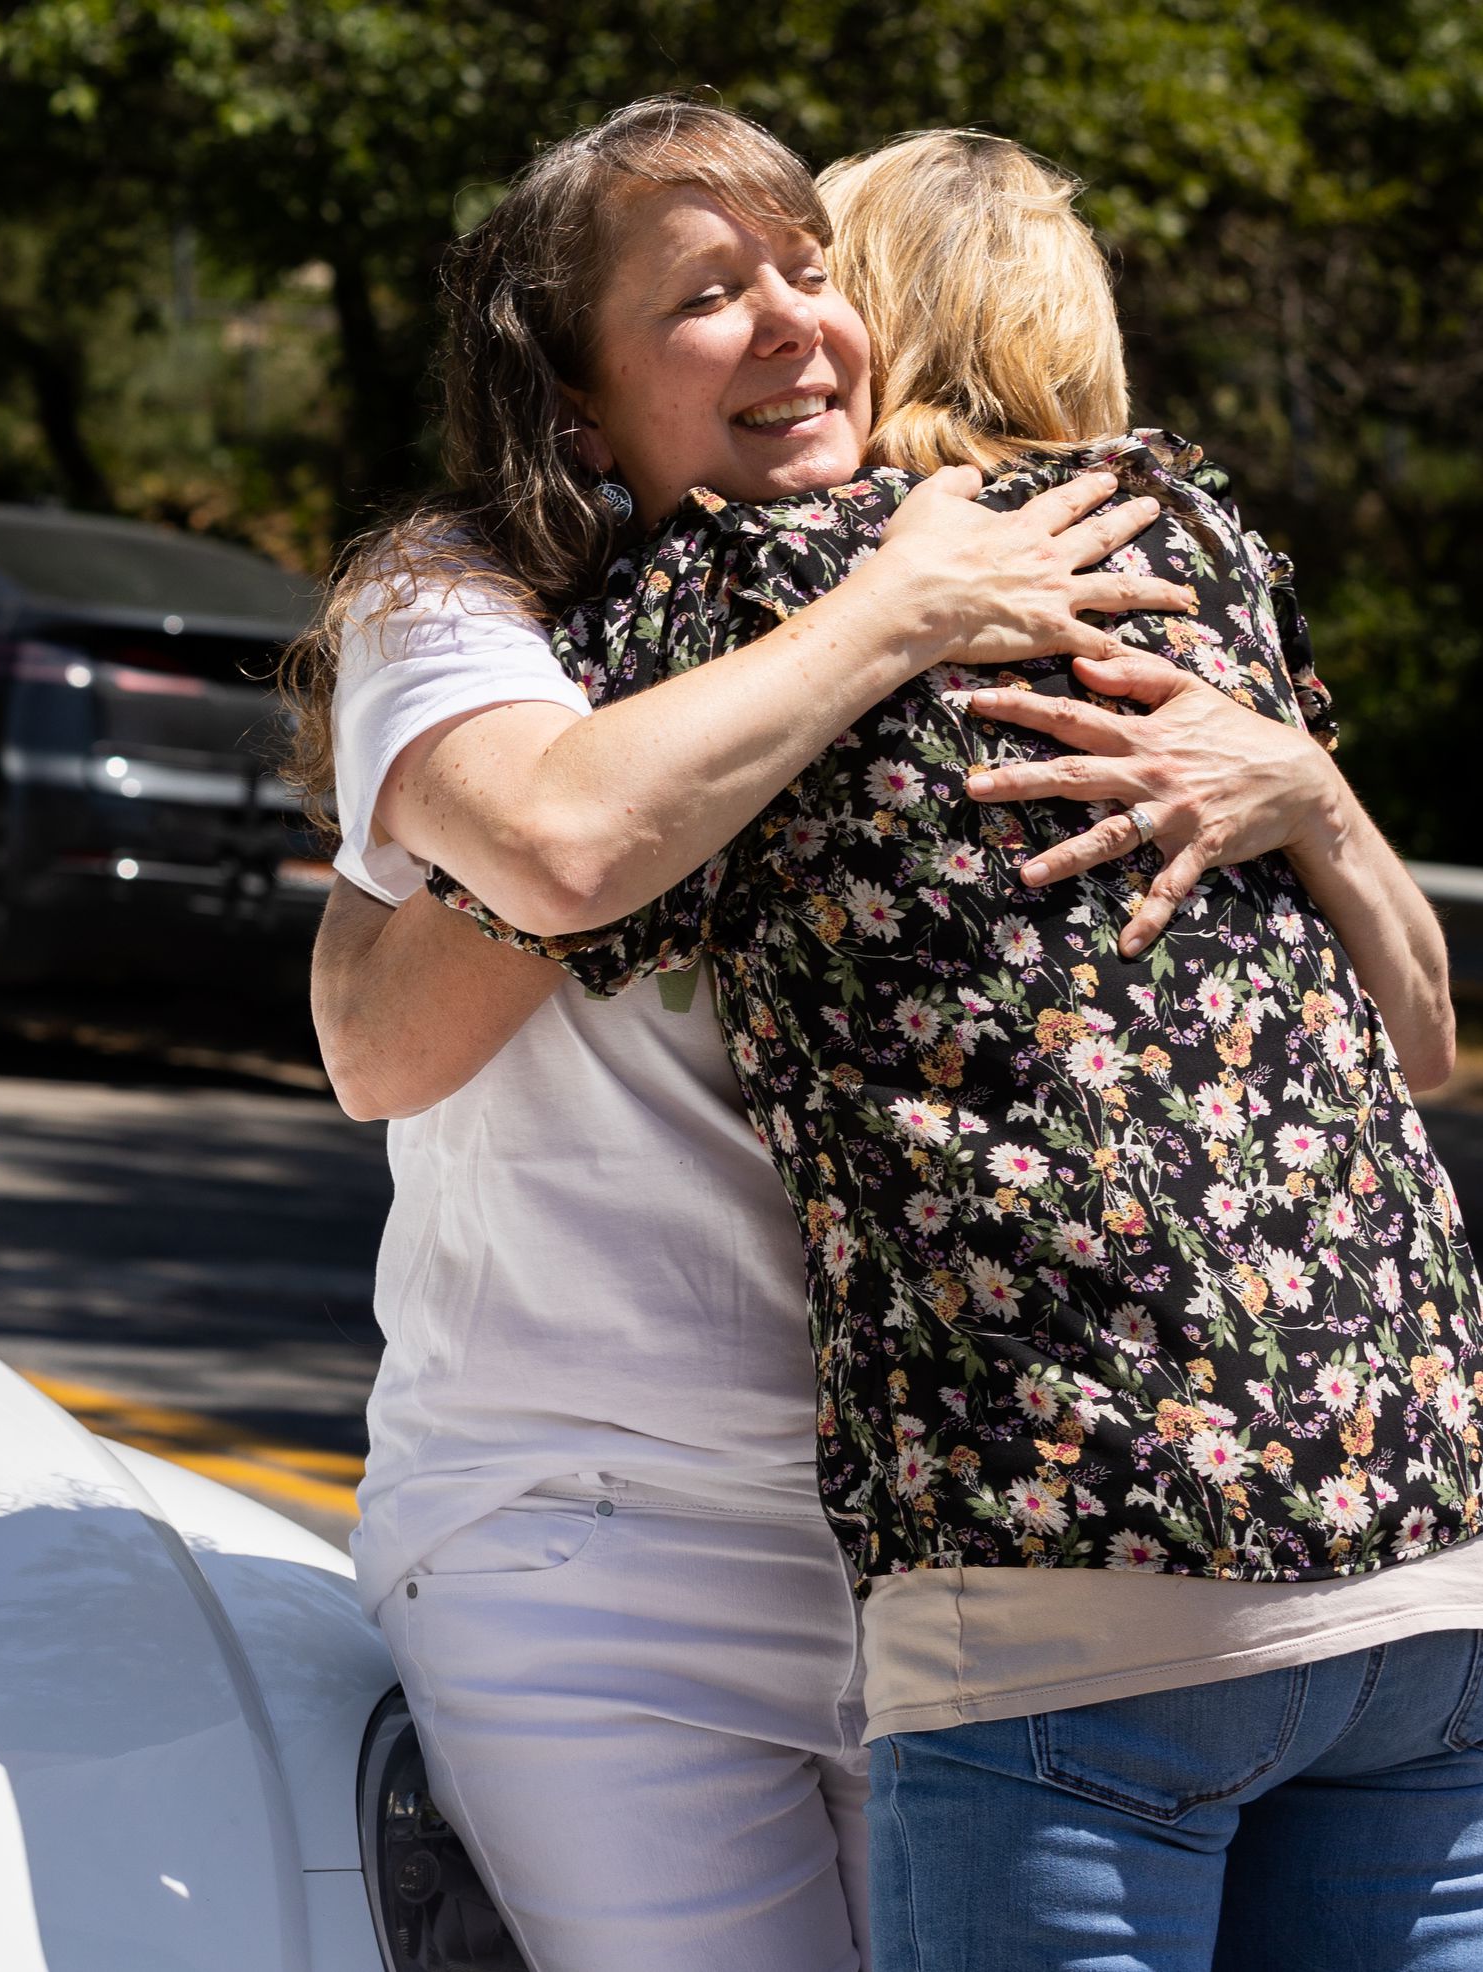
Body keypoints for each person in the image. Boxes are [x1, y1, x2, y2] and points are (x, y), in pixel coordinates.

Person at [326, 114, 1483, 1972]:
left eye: (814, 275)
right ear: (569, 390)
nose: (795, 325)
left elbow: (1418, 1033)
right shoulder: (488, 606)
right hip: (608, 1535)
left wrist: (1308, 792)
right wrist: (887, 612)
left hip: (935, 1528)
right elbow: (430, 981)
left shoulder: (1064, 569)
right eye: (713, 296)